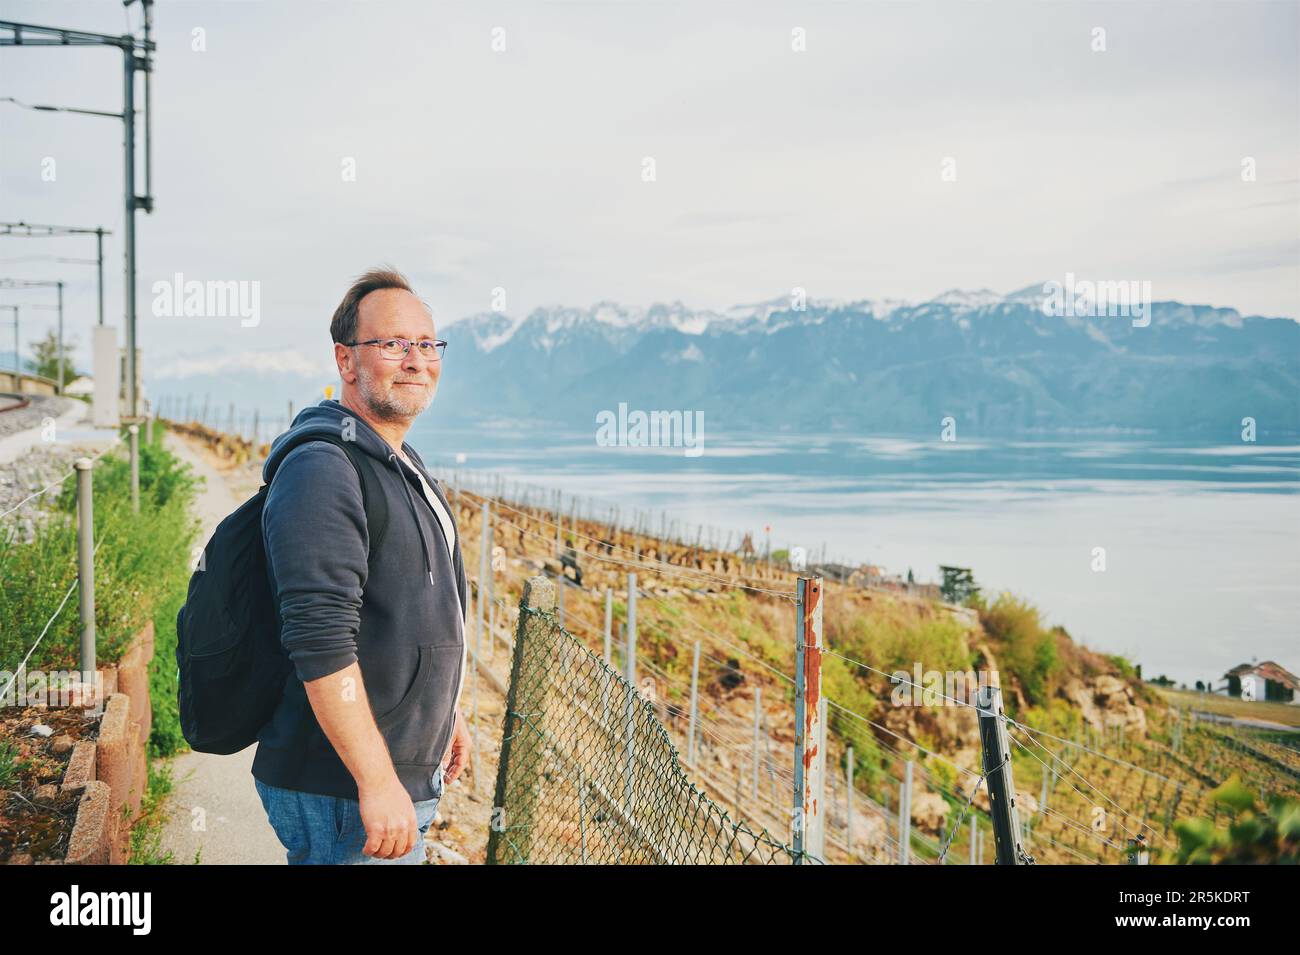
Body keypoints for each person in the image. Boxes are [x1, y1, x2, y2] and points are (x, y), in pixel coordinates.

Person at [251, 266, 470, 864]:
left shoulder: (400, 461)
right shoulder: (323, 469)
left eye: (427, 344)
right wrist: (376, 780)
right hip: (341, 786)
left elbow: (410, 612)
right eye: (393, 344)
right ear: (347, 362)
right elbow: (321, 640)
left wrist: (441, 715)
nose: (416, 360)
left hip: (388, 770)